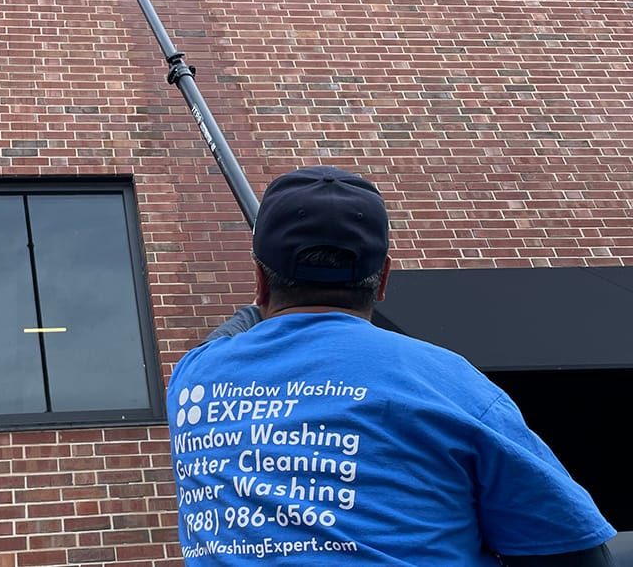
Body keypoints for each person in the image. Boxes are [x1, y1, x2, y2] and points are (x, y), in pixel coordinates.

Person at [167, 165, 616, 566]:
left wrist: (264, 296)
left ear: (260, 280)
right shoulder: (448, 381)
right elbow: (575, 551)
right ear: (383, 280)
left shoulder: (193, 379)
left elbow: (226, 333)